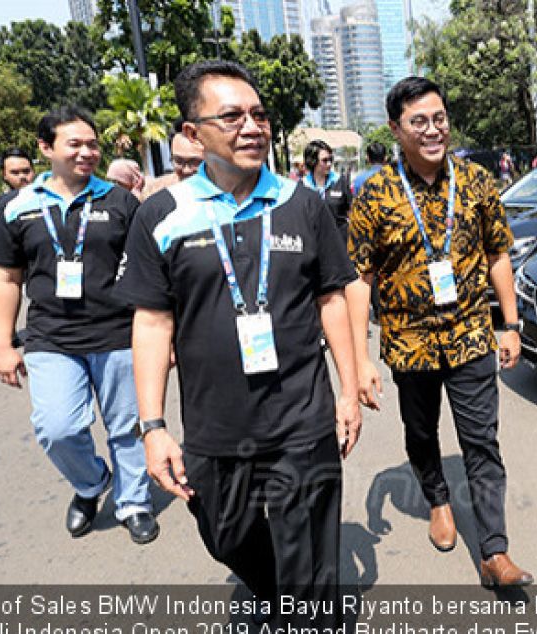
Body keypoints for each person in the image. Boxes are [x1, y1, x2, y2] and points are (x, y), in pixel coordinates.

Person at [115, 60, 360, 624]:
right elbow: (152, 324)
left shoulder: (302, 203)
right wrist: (152, 428)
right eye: (232, 116)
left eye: (259, 114)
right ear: (193, 133)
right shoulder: (162, 214)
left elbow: (331, 298)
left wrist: (348, 390)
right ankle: (277, 594)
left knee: (312, 568)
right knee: (226, 535)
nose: (252, 127)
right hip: (215, 425)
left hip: (301, 415)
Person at [347, 76, 533, 587]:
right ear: (396, 129)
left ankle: (495, 552)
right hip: (409, 343)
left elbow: (498, 255)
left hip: (471, 334)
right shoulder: (376, 194)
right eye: (419, 122)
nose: (433, 130)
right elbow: (359, 278)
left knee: (481, 442)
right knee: (421, 433)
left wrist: (510, 324)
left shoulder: (475, 181)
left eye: (439, 119)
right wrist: (360, 360)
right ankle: (437, 499)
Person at [0, 106, 158, 545]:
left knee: (127, 427)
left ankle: (134, 502)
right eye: (75, 144)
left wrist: (160, 334)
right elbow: (6, 278)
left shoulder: (119, 201)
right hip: (51, 338)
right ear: (46, 148)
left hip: (119, 333)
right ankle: (90, 483)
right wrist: (3, 344)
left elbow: (147, 271)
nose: (87, 152)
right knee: (57, 427)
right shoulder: (18, 208)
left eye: (93, 144)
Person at [302, 139, 352, 242]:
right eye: (324, 160)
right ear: (312, 161)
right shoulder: (302, 186)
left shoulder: (340, 182)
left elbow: (351, 212)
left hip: (340, 243)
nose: (329, 164)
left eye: (330, 160)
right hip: (314, 243)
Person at [142, 131, 205, 198]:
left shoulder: (216, 188)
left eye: (194, 162)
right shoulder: (155, 191)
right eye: (178, 161)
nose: (186, 170)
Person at [0, 148, 36, 222]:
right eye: (15, 172)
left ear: (33, 171)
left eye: (26, 171)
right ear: (4, 175)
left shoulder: (47, 198)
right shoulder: (2, 204)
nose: (22, 176)